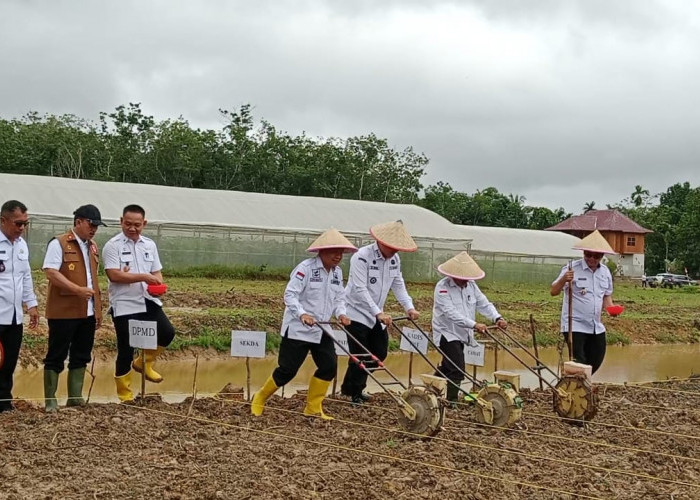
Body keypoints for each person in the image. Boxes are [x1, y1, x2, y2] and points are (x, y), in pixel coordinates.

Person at [251, 228, 356, 420]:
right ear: (322, 252)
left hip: (322, 328)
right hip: (299, 329)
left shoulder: (337, 273)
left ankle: (313, 407)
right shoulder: (305, 269)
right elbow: (290, 295)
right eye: (334, 251)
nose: (338, 256)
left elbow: (339, 297)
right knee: (287, 371)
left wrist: (341, 314)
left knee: (329, 366)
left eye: (341, 252)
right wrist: (302, 314)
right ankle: (260, 397)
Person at [340, 220, 420, 404]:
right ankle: (355, 393)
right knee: (361, 354)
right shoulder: (361, 257)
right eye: (392, 247)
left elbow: (398, 284)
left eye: (398, 248)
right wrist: (378, 313)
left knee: (380, 353)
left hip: (377, 313)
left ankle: (349, 387)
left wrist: (409, 306)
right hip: (355, 312)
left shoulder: (394, 259)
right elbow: (360, 289)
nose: (395, 251)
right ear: (381, 242)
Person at [102, 204, 175, 402]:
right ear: (121, 222)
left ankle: (144, 362)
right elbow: (114, 275)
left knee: (167, 332)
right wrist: (144, 277)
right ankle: (125, 395)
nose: (132, 228)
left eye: (137, 224)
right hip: (124, 303)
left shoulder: (149, 245)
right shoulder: (113, 245)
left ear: (144, 223)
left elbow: (156, 271)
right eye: (127, 224)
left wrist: (157, 282)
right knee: (125, 349)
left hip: (147, 299)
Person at [42, 204, 105, 412]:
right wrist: (76, 289)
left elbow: (94, 280)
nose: (94, 229)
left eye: (97, 225)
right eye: (91, 224)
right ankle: (50, 400)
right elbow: (51, 272)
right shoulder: (59, 243)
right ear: (78, 222)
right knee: (56, 354)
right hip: (64, 311)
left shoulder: (93, 246)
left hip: (87, 311)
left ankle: (75, 397)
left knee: (81, 354)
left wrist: (97, 309)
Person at [432, 251, 507, 402]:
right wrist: (474, 324)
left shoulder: (471, 286)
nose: (466, 281)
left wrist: (497, 317)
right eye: (464, 278)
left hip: (463, 333)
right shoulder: (442, 287)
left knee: (449, 366)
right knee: (457, 368)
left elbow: (483, 303)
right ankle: (451, 401)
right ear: (454, 275)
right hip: (446, 332)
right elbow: (450, 313)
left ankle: (431, 387)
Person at [550, 230, 616, 374]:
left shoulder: (605, 272)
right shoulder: (572, 268)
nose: (591, 259)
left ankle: (580, 383)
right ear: (583, 253)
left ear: (602, 256)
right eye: (588, 254)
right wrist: (563, 279)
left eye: (596, 256)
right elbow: (553, 291)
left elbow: (606, 296)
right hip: (575, 324)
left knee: (596, 359)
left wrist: (611, 309)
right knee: (579, 361)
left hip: (595, 325)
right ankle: (577, 389)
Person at [0, 200, 39, 413]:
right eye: (18, 223)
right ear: (3, 220)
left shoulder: (21, 245)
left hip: (14, 316)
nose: (22, 228)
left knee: (9, 362)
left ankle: (5, 403)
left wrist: (31, 304)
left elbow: (25, 277)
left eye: (25, 223)